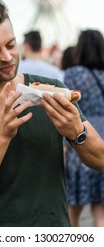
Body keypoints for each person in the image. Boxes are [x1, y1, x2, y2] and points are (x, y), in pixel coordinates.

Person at [0, 0, 104, 227]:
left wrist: (77, 132)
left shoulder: (52, 90)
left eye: (10, 44)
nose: (7, 56)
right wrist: (2, 134)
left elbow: (100, 158)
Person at [64, 29, 104, 227]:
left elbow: (67, 109)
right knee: (100, 209)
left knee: (73, 207)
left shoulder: (73, 74)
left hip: (83, 138)